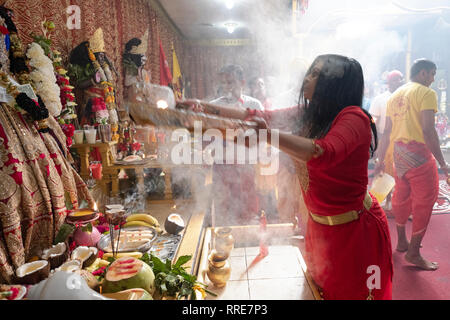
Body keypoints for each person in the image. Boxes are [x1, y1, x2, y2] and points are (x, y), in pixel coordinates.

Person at [187, 55, 393, 299]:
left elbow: (321, 152)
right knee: (322, 293)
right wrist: (201, 106)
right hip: (320, 229)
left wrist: (267, 135)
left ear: (335, 83)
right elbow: (255, 114)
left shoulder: (354, 117)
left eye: (316, 74)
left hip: (356, 231)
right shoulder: (310, 114)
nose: (307, 78)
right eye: (310, 71)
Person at [375, 58, 449, 271]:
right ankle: (414, 252)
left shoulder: (395, 95)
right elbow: (428, 130)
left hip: (399, 154)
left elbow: (387, 131)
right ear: (423, 73)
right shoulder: (426, 94)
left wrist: (380, 158)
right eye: (433, 74)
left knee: (402, 196)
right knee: (425, 200)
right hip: (418, 155)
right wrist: (443, 163)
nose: (433, 79)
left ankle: (402, 242)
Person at [209, 65, 264, 225]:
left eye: (231, 82)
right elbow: (205, 138)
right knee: (224, 211)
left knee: (248, 211)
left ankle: (249, 243)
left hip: (247, 165)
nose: (227, 87)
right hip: (222, 167)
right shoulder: (213, 106)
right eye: (224, 83)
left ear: (242, 82)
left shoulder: (254, 105)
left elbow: (263, 137)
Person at [369, 70, 404, 211]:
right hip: (385, 138)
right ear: (389, 83)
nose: (398, 82)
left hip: (403, 139)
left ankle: (401, 202)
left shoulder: (406, 97)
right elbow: (372, 121)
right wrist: (375, 143)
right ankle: (385, 201)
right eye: (395, 80)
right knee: (384, 170)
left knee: (403, 173)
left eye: (400, 80)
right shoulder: (380, 99)